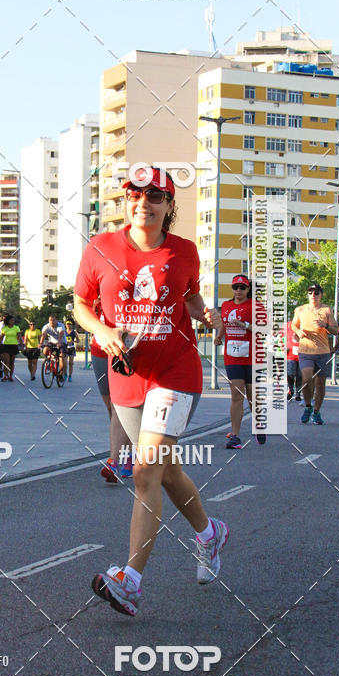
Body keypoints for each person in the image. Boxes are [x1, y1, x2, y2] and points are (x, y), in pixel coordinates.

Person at [74, 165, 226, 618]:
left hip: (176, 374)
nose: (144, 203)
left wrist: (206, 315)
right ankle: (209, 532)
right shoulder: (101, 247)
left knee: (144, 472)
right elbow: (81, 304)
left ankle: (130, 581)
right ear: (126, 202)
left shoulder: (184, 252)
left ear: (168, 205)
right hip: (126, 375)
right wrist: (102, 330)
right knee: (167, 472)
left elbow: (190, 296)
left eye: (155, 196)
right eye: (136, 195)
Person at [215, 275, 265, 448]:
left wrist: (245, 325)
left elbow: (264, 329)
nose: (238, 291)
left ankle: (258, 425)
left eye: (242, 287)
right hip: (232, 356)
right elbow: (223, 322)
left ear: (248, 289)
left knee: (252, 396)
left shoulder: (256, 306)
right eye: (235, 287)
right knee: (237, 395)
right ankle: (235, 436)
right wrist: (219, 336)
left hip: (252, 357)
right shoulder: (226, 305)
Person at [89, 301, 133, 482]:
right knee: (111, 409)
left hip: (120, 349)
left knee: (119, 408)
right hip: (99, 350)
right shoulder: (93, 289)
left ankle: (116, 461)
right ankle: (126, 453)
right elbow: (83, 315)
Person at [292, 283, 338, 425]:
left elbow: (336, 330)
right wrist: (298, 331)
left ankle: (317, 411)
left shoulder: (327, 310)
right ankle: (307, 406)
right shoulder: (300, 309)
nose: (313, 295)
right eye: (311, 292)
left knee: (320, 384)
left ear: (321, 294)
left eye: (316, 293)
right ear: (307, 294)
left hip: (322, 351)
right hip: (305, 350)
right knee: (306, 378)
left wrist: (325, 326)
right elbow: (294, 325)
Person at [0, 314, 22, 382]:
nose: (13, 321)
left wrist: (21, 344)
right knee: (7, 362)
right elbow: (1, 337)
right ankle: (6, 376)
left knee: (12, 362)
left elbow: (19, 336)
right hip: (6, 346)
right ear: (8, 321)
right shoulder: (5, 328)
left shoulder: (16, 328)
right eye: (11, 320)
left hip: (14, 346)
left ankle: (11, 376)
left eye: (13, 320)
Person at [285, 318, 302, 402]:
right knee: (290, 373)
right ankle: (290, 390)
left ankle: (298, 393)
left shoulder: (306, 324)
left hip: (303, 354)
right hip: (290, 354)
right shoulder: (288, 325)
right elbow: (281, 337)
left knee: (300, 375)